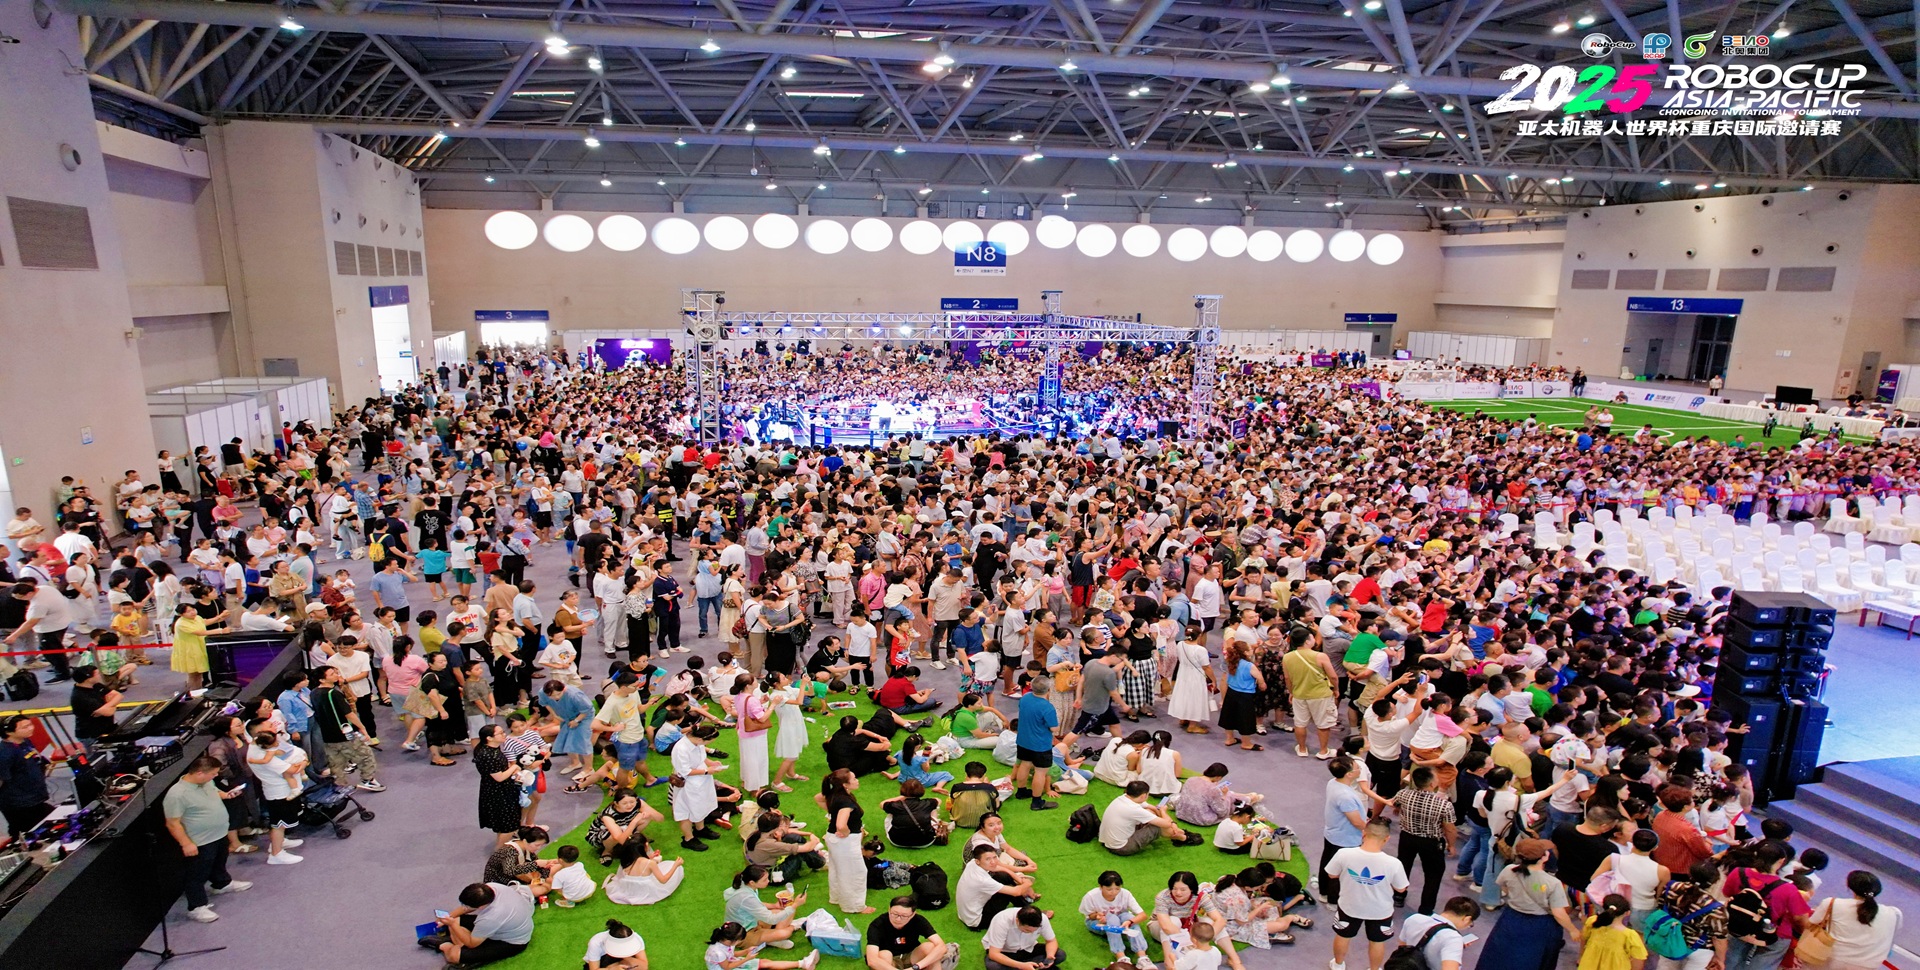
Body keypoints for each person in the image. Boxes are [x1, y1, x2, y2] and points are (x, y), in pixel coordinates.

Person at [162, 755, 253, 923]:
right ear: (199, 773)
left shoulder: (206, 782)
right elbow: (172, 823)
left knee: (219, 862)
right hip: (200, 841)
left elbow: (215, 792)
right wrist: (186, 843)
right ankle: (196, 907)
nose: (215, 776)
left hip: (220, 834)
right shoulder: (177, 794)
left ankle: (221, 883)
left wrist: (227, 795)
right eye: (213, 774)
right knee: (196, 874)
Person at [1479, 838, 1582, 970]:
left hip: (1511, 918)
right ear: (1545, 857)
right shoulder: (1552, 882)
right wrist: (1572, 930)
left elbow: (1504, 887)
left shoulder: (1509, 870)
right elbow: (1558, 913)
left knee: (1501, 955)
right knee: (1531, 959)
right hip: (1539, 925)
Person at [1325, 818, 1409, 970]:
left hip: (1349, 906)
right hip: (1380, 910)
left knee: (1343, 935)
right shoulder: (1393, 863)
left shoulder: (1343, 854)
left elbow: (1332, 874)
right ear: (1386, 839)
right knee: (1377, 941)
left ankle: (1338, 964)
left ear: (1363, 833)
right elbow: (1401, 889)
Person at [1389, 765, 1456, 915]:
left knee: (1403, 866)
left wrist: (1400, 810)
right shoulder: (1443, 805)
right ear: (1432, 784)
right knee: (1433, 875)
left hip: (1407, 837)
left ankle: (1398, 895)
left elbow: (1395, 804)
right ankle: (1426, 908)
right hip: (1431, 842)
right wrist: (1451, 845)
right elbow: (1450, 828)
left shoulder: (1403, 794)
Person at [430, 881, 538, 968]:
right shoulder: (491, 888)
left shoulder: (490, 917)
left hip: (512, 943)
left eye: (467, 905)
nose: (464, 907)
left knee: (453, 956)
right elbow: (465, 909)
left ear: (481, 906)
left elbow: (472, 944)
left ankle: (444, 945)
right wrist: (449, 917)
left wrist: (453, 924)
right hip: (506, 926)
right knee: (457, 921)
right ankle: (459, 945)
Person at [1808, 870, 1900, 970]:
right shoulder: (1894, 913)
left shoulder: (1833, 903)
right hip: (1869, 964)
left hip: (1831, 960)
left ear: (1849, 886)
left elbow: (1810, 924)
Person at [1099, 780, 1206, 855]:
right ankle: (1183, 838)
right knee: (1158, 826)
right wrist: (1164, 812)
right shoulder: (1134, 809)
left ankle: (1179, 833)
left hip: (1108, 840)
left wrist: (1161, 814)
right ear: (1143, 795)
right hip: (1121, 847)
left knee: (1151, 813)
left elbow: (1152, 808)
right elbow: (1166, 823)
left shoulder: (1124, 798)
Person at [1079, 871, 1157, 970]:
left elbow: (1143, 915)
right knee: (1112, 918)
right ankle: (1121, 956)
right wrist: (1098, 916)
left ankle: (1142, 957)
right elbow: (1090, 916)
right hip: (1097, 924)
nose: (1114, 892)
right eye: (1109, 889)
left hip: (1121, 922)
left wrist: (1130, 922)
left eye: (1117, 889)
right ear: (1100, 886)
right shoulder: (1091, 896)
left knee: (1128, 916)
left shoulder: (1125, 894)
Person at [723, 864, 807, 950]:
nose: (768, 881)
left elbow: (755, 904)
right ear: (752, 882)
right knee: (785, 932)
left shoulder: (746, 885)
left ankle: (770, 938)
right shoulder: (745, 897)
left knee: (786, 910)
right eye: (764, 880)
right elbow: (771, 919)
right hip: (743, 934)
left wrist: (774, 906)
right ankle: (793, 926)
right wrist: (795, 904)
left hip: (752, 922)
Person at [864, 895, 958, 970]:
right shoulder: (877, 925)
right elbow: (872, 960)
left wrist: (916, 967)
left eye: (904, 916)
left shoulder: (918, 920)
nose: (898, 919)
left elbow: (941, 946)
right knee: (884, 955)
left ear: (913, 914)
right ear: (889, 909)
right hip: (889, 962)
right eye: (895, 914)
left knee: (930, 947)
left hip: (912, 956)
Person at [957, 843, 1036, 931]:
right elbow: (1016, 892)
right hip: (977, 921)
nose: (993, 862)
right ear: (978, 861)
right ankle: (1029, 913)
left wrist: (1019, 880)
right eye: (988, 859)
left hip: (966, 914)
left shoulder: (973, 863)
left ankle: (1025, 902)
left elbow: (998, 868)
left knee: (1003, 876)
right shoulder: (982, 880)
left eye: (994, 857)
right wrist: (1027, 884)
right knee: (1007, 893)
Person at [1010, 675, 1060, 811]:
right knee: (1040, 772)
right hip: (1040, 745)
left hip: (1023, 740)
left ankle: (1021, 791)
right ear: (1049, 689)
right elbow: (1054, 728)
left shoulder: (1025, 698)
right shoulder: (1047, 707)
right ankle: (1037, 802)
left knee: (1024, 764)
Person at [0, 715, 55, 836]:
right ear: (9, 732)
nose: (31, 728)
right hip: (20, 805)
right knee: (27, 834)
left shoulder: (25, 742)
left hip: (36, 798)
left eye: (30, 724)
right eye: (25, 727)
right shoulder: (4, 754)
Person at [1393, 895, 1479, 970]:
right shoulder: (1453, 938)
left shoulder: (1414, 918)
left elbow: (1402, 947)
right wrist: (1456, 945)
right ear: (1467, 919)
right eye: (1470, 924)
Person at [603, 836, 686, 905]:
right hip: (646, 890)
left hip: (629, 888)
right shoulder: (650, 863)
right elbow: (663, 880)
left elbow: (638, 864)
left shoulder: (627, 859)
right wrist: (676, 865)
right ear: (646, 845)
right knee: (673, 866)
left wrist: (651, 857)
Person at [702, 921, 819, 970]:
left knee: (764, 963)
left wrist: (746, 951)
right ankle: (803, 963)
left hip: (731, 963)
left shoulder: (725, 942)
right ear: (732, 940)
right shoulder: (718, 952)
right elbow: (726, 967)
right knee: (764, 965)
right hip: (728, 967)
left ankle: (802, 963)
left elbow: (731, 954)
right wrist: (746, 959)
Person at [983, 905, 1061, 970]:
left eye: (1034, 931)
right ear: (1017, 921)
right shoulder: (1001, 921)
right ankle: (1028, 965)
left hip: (1028, 948)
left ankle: (1027, 965)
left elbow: (1051, 941)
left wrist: (1049, 957)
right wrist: (1021, 966)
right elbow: (994, 954)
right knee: (993, 966)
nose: (1031, 933)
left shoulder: (1043, 919)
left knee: (1060, 954)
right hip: (1005, 951)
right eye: (1027, 930)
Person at [583, 918, 647, 970]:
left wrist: (627, 960)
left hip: (623, 961)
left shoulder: (636, 938)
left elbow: (644, 965)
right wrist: (611, 969)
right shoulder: (596, 942)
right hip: (602, 964)